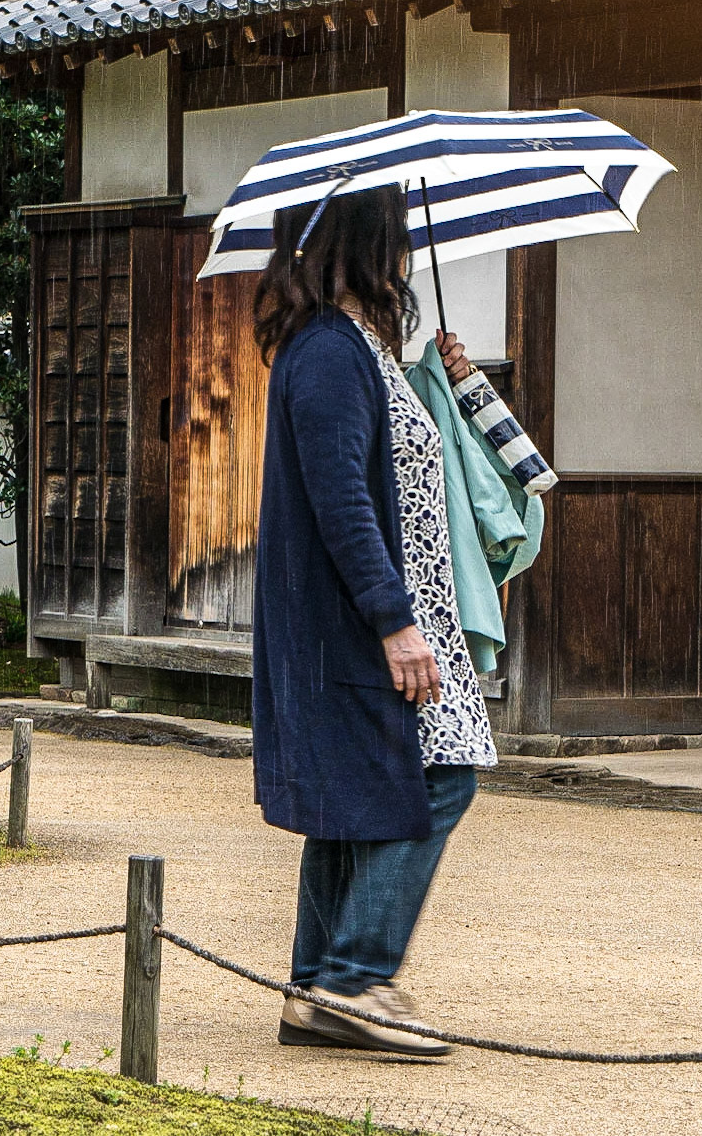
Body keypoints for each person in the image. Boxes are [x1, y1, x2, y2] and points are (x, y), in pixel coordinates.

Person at [249, 184, 493, 1057]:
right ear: (360, 242)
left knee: (350, 806)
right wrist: (393, 620)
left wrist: (457, 382)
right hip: (360, 624)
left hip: (381, 616)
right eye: (395, 240)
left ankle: (311, 987)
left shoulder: (358, 348)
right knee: (439, 778)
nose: (406, 260)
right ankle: (351, 979)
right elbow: (341, 497)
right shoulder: (325, 352)